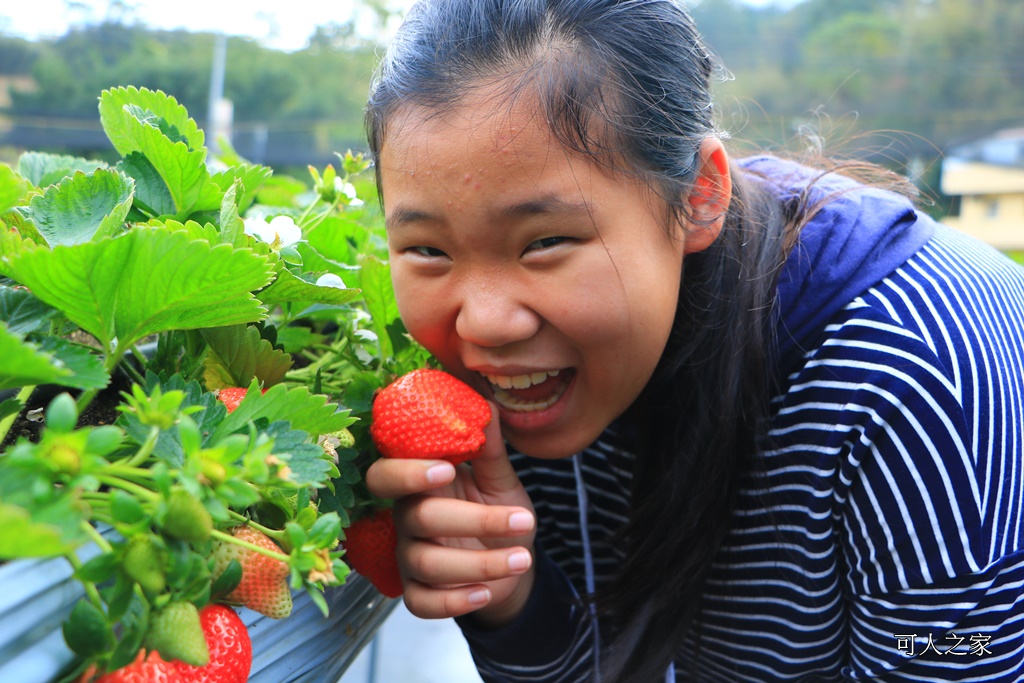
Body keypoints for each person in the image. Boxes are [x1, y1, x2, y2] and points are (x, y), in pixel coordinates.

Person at [362, 0, 1024, 680]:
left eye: (546, 241)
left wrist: (944, 641)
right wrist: (511, 598)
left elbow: (958, 655)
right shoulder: (538, 380)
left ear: (701, 193)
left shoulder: (914, 363)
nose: (484, 323)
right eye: (427, 250)